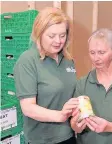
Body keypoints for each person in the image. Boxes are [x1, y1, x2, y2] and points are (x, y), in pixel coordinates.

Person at [14, 7, 78, 144]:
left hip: (68, 135)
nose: (58, 41)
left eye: (62, 35)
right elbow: (28, 108)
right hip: (42, 140)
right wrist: (60, 115)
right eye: (52, 36)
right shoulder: (27, 61)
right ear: (39, 33)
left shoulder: (68, 60)